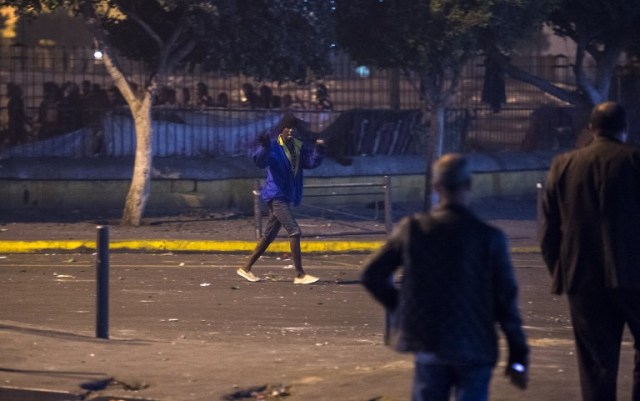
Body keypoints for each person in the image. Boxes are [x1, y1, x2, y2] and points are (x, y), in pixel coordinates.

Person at [361, 153, 529, 401]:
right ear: (469, 185)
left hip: (430, 340)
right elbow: (506, 302)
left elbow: (372, 275)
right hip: (476, 342)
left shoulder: (414, 229)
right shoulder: (489, 237)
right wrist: (518, 358)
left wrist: (401, 305)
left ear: (437, 187)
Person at [540, 101, 640, 401]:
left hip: (583, 279)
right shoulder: (635, 161)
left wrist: (561, 270)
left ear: (590, 129)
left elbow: (548, 231)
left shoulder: (564, 165)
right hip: (635, 275)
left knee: (596, 363)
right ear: (625, 129)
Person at [237, 111, 326, 285]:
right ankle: (300, 274)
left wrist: (319, 150)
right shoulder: (273, 146)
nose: (291, 131)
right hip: (276, 195)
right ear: (281, 129)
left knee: (269, 236)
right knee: (294, 230)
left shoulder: (298, 147)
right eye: (287, 127)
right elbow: (260, 162)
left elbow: (310, 163)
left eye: (293, 128)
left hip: (286, 195)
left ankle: (245, 268)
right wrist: (264, 147)